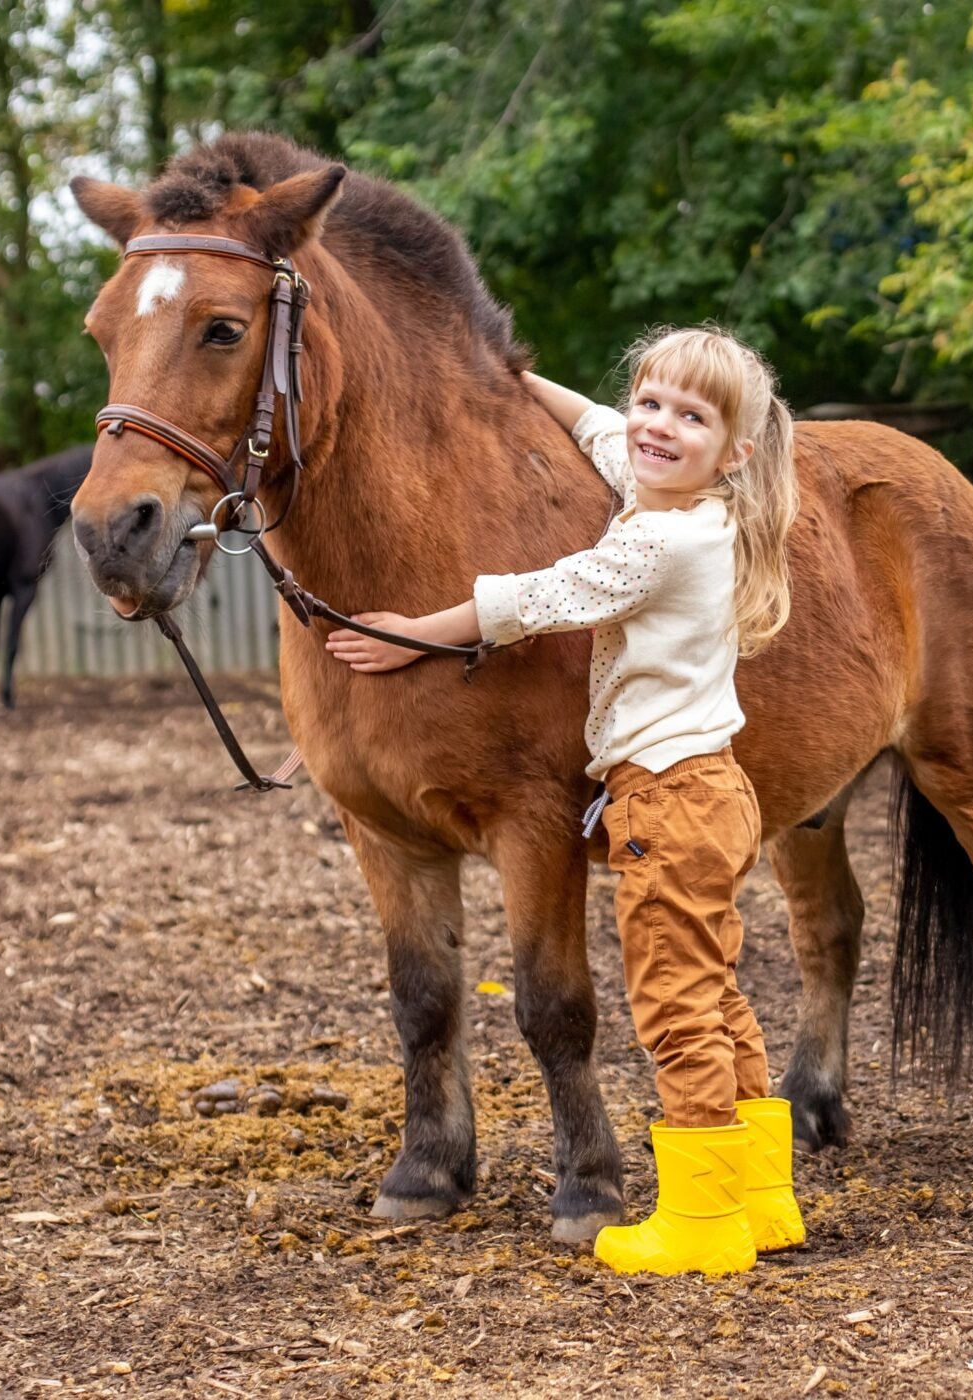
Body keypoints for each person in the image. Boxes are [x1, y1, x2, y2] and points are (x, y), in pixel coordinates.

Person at [326, 326, 805, 1277]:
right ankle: (761, 1197)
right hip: (708, 791)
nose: (656, 428)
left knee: (673, 1005)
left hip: (667, 802)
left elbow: (541, 597)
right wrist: (512, 377)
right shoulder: (686, 504)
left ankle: (704, 1220)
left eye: (689, 416)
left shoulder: (660, 543)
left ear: (736, 451)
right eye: (650, 403)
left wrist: (418, 634)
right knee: (719, 995)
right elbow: (600, 432)